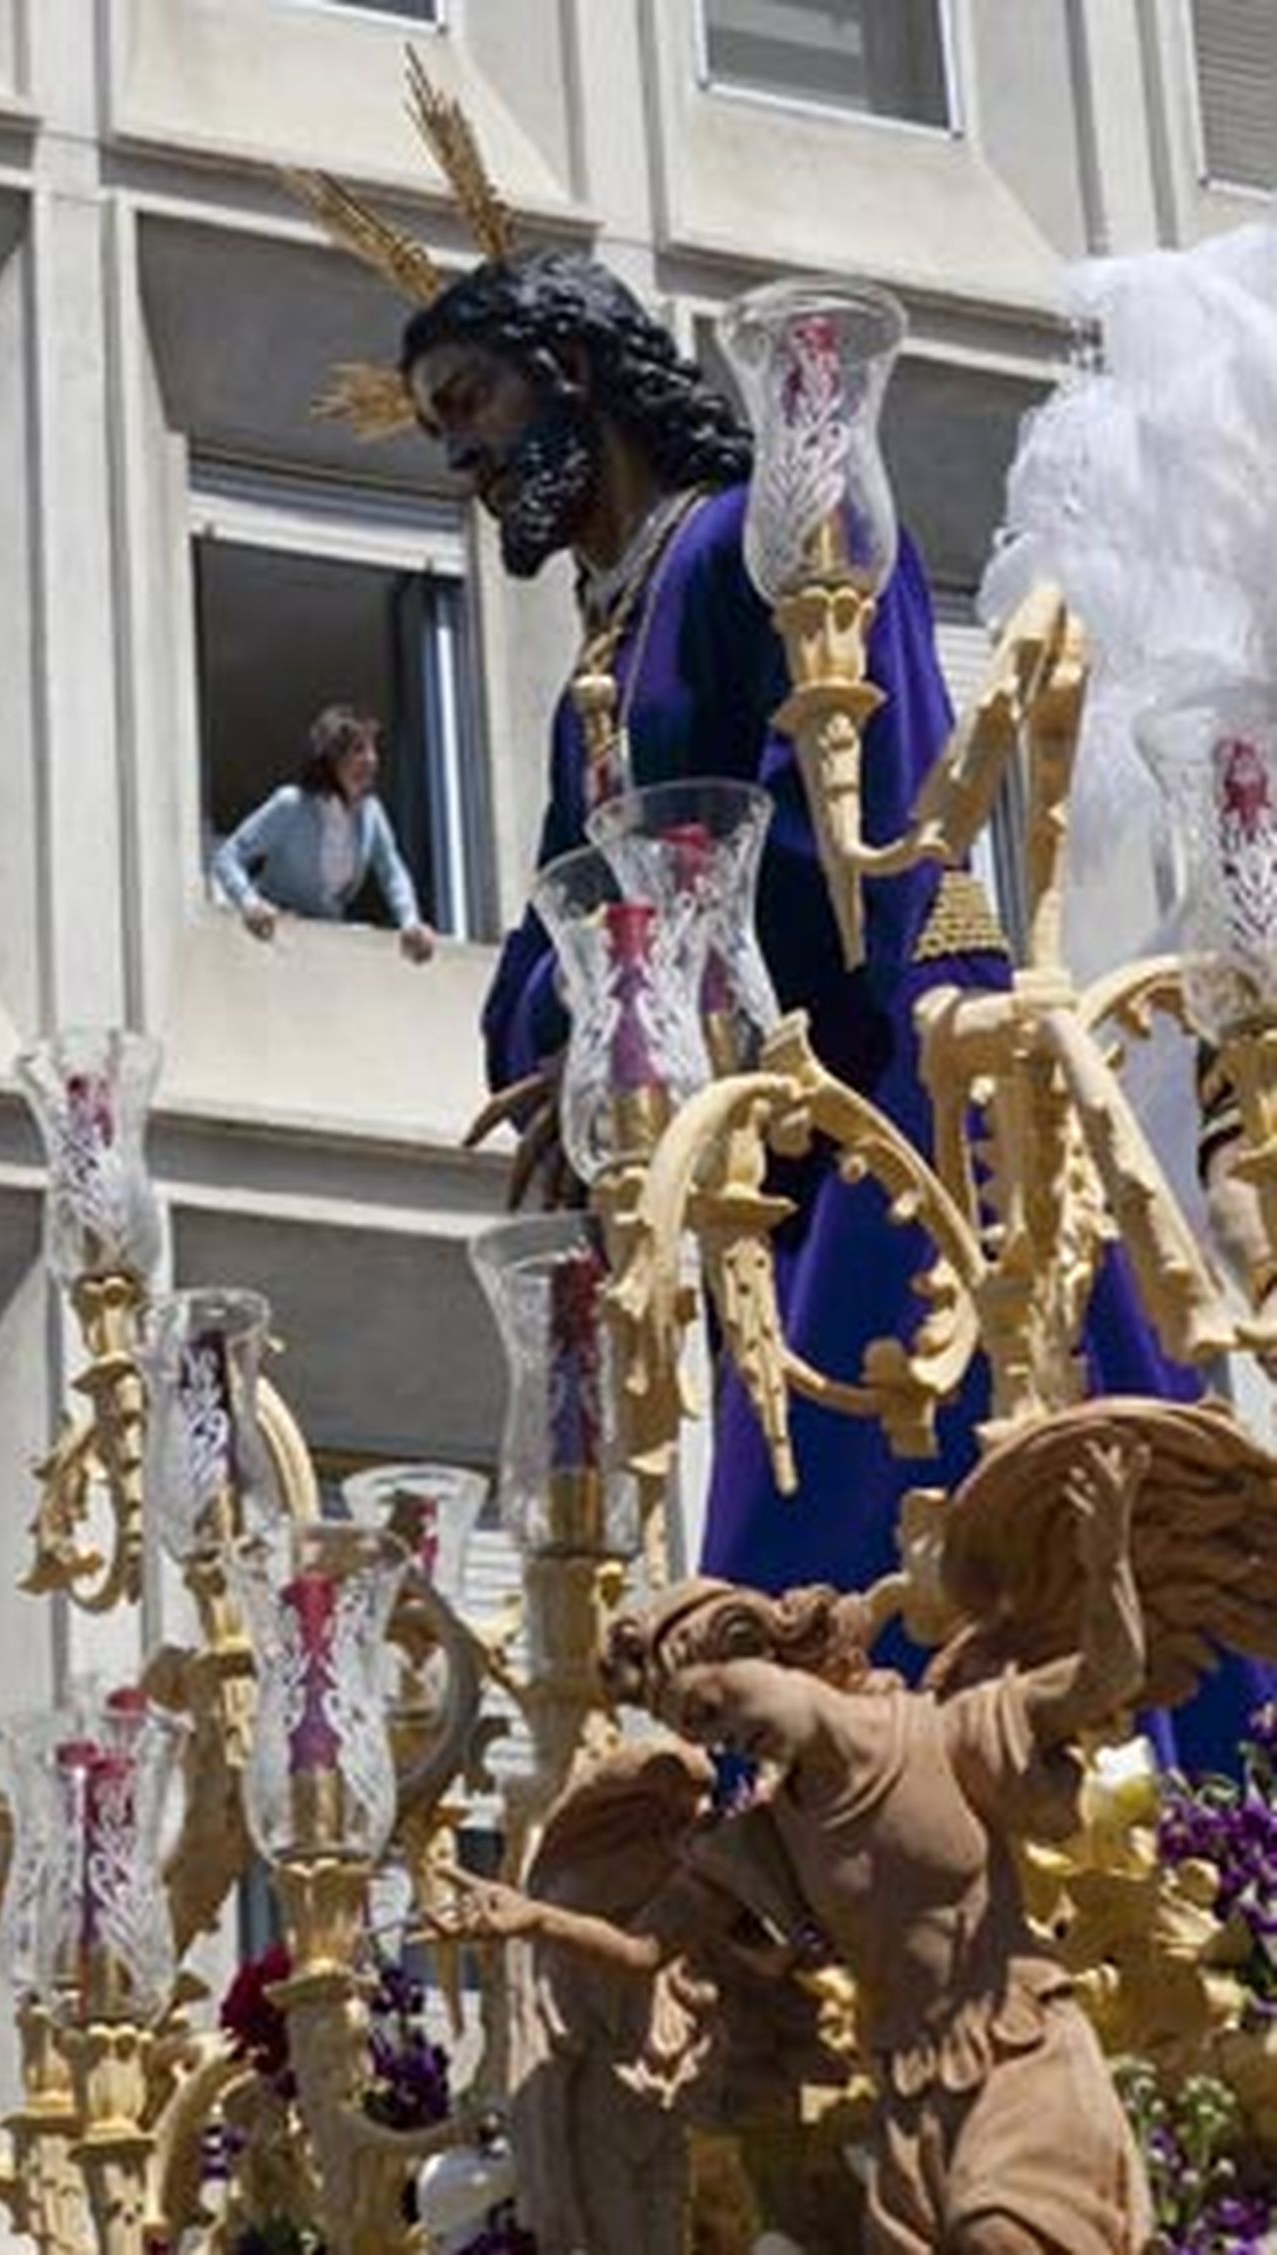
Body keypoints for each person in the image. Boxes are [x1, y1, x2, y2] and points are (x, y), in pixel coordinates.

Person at [397, 251, 1205, 1703]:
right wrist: (578, 1034)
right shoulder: (609, 635)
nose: (460, 448)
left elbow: (853, 804)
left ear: (572, 370)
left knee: (913, 1477)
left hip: (900, 1069)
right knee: (809, 1495)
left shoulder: (755, 539)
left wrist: (671, 993)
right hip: (767, 1120)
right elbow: (554, 912)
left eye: (471, 398)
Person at [436, 1431, 1158, 2254]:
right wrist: (529, 1916)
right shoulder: (763, 1843)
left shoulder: (947, 1734)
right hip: (910, 2093)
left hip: (1020, 2053)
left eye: (710, 1702)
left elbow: (1107, 1675)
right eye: (694, 1729)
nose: (723, 1733)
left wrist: (1107, 1561)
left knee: (1002, 2235)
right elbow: (642, 1951)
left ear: (755, 1647)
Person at [211, 703, 436, 963]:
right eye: (358, 750)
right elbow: (227, 857)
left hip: (321, 948)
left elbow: (392, 872)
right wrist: (249, 903)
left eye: (373, 749)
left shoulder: (371, 814)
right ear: (331, 760)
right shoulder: (291, 805)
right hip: (268, 943)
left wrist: (410, 923)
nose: (371, 759)